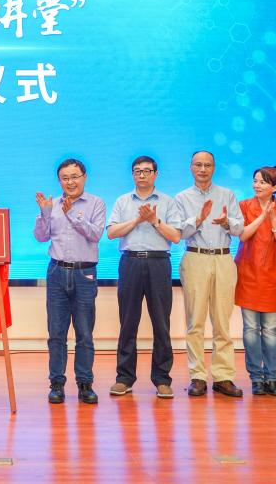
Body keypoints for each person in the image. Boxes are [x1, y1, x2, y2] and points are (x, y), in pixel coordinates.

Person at [106, 155, 182, 399]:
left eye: (147, 171)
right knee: (128, 322)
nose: (142, 175)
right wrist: (138, 220)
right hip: (130, 262)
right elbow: (111, 233)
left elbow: (176, 236)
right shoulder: (122, 201)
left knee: (161, 322)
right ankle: (124, 378)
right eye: (137, 171)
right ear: (132, 174)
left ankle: (162, 378)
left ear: (156, 174)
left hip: (159, 262)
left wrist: (154, 220)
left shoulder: (168, 202)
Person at [34, 158, 106, 405]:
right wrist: (45, 214)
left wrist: (72, 215)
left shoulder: (96, 203)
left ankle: (85, 384)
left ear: (84, 177)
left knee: (84, 333)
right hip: (56, 272)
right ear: (59, 181)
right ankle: (56, 384)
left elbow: (95, 234)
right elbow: (40, 237)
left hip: (84, 273)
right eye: (65, 178)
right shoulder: (51, 204)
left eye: (75, 177)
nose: (70, 182)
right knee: (56, 333)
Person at [173, 151, 245, 398]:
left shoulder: (227, 194)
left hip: (223, 258)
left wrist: (226, 222)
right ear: (191, 167)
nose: (203, 169)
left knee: (222, 322)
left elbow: (239, 228)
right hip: (195, 257)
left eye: (207, 165)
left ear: (214, 168)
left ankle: (223, 376)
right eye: (198, 165)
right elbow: (178, 233)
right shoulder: (181, 198)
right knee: (195, 322)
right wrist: (198, 219)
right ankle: (197, 376)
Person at [235, 165, 276, 397]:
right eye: (255, 180)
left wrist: (272, 218)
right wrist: (261, 216)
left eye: (262, 182)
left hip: (270, 276)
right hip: (247, 273)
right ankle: (256, 378)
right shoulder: (243, 206)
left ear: (274, 188)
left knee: (270, 330)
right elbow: (243, 235)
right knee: (250, 329)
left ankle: (272, 378)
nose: (256, 185)